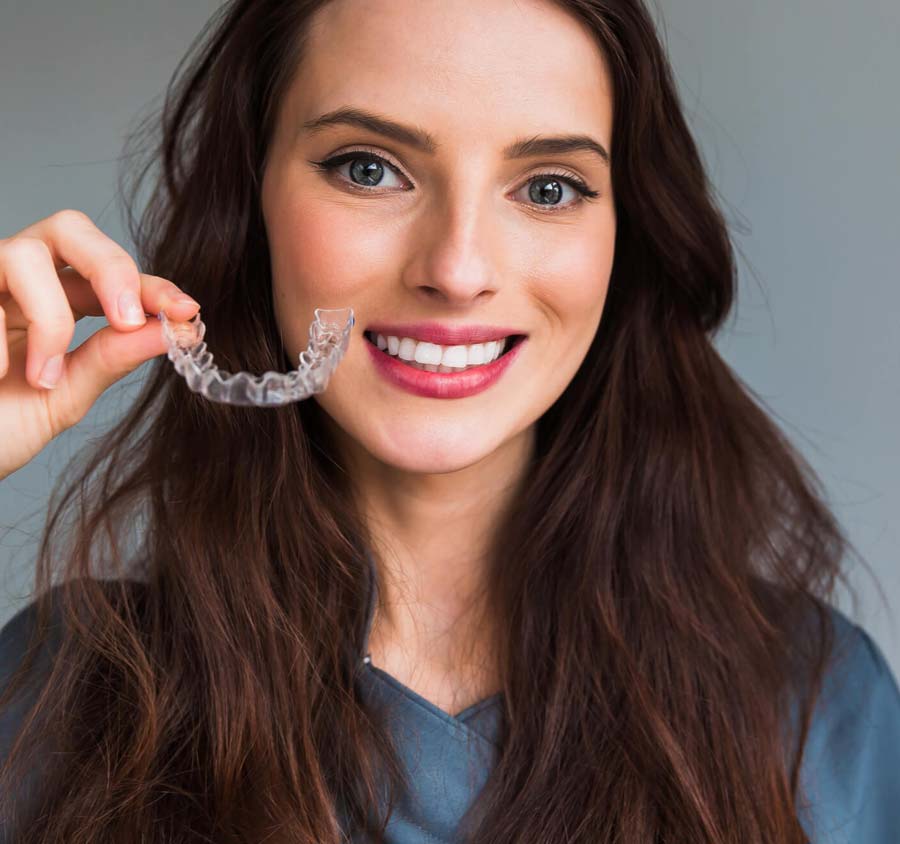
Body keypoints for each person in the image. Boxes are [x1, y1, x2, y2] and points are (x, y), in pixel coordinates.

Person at [0, 0, 897, 841]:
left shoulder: (817, 709)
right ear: (252, 203)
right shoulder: (53, 692)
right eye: (368, 169)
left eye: (548, 188)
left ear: (628, 235)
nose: (458, 269)